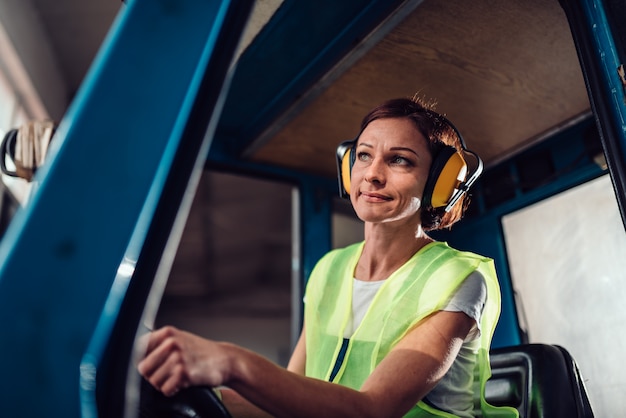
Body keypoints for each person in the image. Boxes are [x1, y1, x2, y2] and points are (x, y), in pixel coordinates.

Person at [138, 97, 519, 417]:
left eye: (399, 160)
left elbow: (371, 410)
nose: (372, 174)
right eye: (364, 155)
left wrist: (232, 361)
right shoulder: (329, 270)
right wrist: (190, 386)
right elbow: (289, 399)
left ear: (439, 181)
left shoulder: (457, 279)